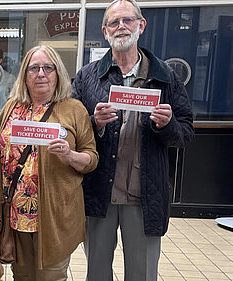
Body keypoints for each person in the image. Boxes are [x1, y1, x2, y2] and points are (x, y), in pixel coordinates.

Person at [70, 1, 195, 280]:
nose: (121, 27)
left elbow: (186, 132)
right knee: (96, 272)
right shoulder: (87, 77)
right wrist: (94, 123)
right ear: (104, 31)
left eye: (128, 20)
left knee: (142, 273)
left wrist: (167, 125)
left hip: (145, 195)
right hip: (100, 192)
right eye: (114, 22)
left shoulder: (165, 77)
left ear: (141, 25)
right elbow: (71, 131)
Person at [0, 45, 99, 280]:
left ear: (58, 73)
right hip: (16, 216)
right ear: (25, 75)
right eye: (34, 68)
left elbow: (91, 159)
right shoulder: (11, 108)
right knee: (22, 276)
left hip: (54, 218)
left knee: (51, 276)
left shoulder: (74, 110)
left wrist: (69, 155)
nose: (41, 73)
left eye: (48, 68)